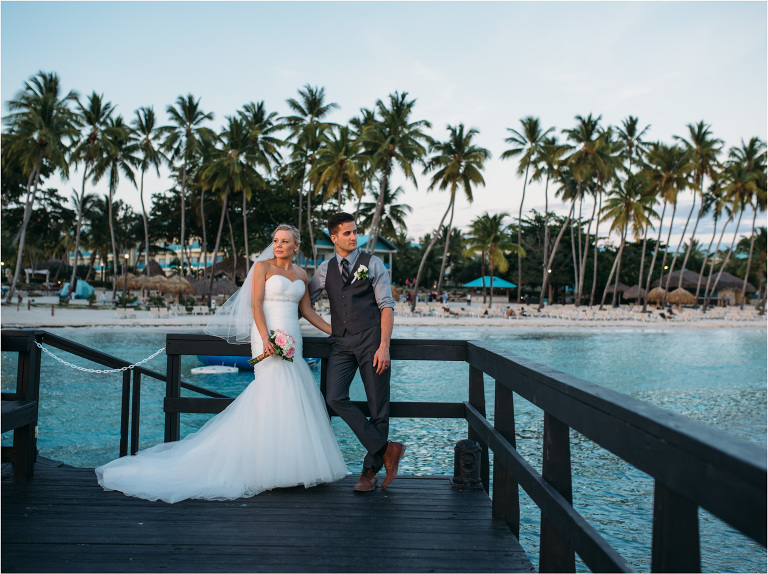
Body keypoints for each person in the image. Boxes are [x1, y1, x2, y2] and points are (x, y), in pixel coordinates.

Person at [95, 224, 347, 503]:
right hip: (266, 335)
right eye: (275, 240)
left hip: (293, 337)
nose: (278, 245)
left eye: (285, 241)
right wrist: (266, 339)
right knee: (271, 392)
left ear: (296, 246)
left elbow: (307, 310)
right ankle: (266, 468)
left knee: (294, 393)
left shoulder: (301, 274)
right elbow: (256, 305)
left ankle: (293, 466)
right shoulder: (262, 267)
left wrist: (336, 331)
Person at [309, 212, 405, 493]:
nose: (354, 237)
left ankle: (369, 472)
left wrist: (384, 346)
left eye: (355, 232)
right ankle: (388, 449)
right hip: (340, 343)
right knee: (334, 397)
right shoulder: (324, 269)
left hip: (371, 342)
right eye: (347, 233)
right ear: (334, 238)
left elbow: (387, 305)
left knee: (378, 406)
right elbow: (304, 301)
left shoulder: (373, 263)